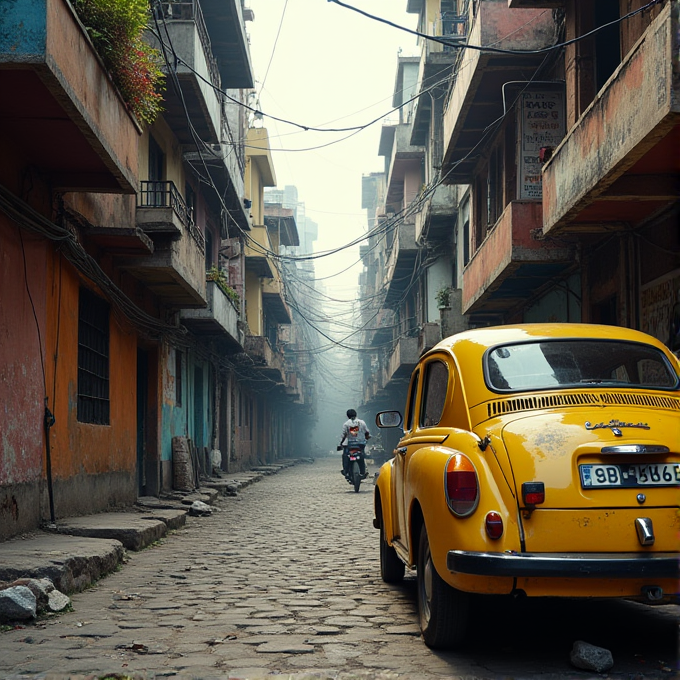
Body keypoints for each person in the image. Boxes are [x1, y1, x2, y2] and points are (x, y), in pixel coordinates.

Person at [340, 408, 370, 479]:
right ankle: (363, 472)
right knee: (362, 456)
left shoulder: (346, 424)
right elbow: (367, 432)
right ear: (356, 414)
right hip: (361, 444)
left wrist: (341, 443)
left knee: (345, 456)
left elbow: (344, 435)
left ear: (347, 416)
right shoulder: (362, 422)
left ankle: (346, 471)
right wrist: (367, 438)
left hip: (350, 445)